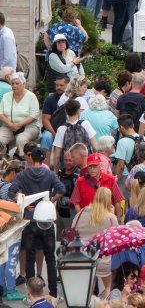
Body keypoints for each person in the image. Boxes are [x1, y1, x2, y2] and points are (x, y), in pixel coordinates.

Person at [8, 147, 65, 297]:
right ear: (44, 159)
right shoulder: (50, 174)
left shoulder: (23, 175)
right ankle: (53, 294)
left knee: (29, 258)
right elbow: (61, 189)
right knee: (50, 259)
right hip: (45, 220)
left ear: (31, 158)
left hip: (30, 220)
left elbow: (11, 192)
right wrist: (51, 201)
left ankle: (31, 295)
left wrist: (25, 203)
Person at [72, 187, 118, 296]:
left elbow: (73, 229)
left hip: (84, 256)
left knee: (89, 288)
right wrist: (113, 214)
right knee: (108, 286)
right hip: (103, 258)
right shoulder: (110, 217)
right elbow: (115, 236)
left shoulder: (81, 213)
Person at [0, 73, 41, 158]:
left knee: (21, 139)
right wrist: (11, 124)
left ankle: (24, 163)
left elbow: (34, 115)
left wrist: (19, 124)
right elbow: (1, 113)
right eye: (12, 83)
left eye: (17, 83)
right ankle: (3, 163)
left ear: (23, 84)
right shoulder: (6, 96)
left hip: (29, 126)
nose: (14, 86)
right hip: (9, 126)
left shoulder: (31, 96)